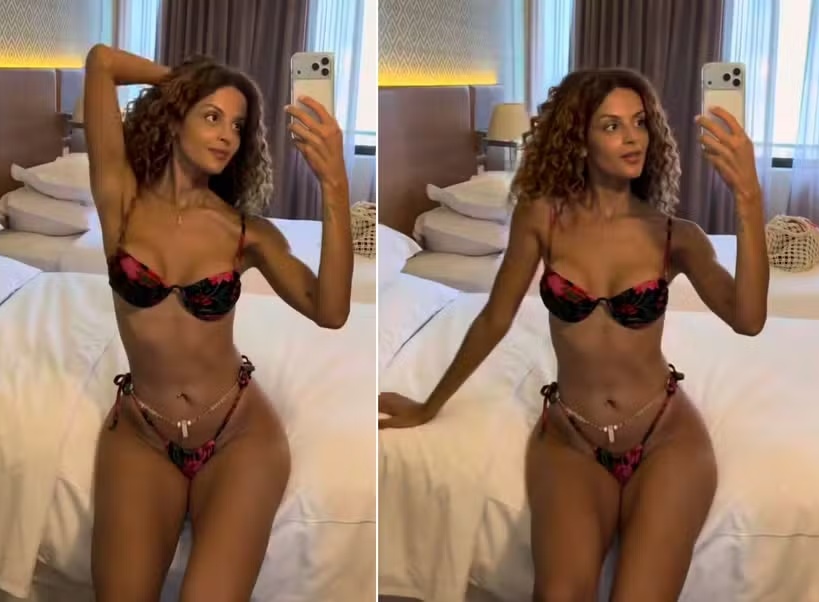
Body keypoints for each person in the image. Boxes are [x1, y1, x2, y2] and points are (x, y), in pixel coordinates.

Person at [378, 67, 769, 601]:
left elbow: (749, 318)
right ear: (579, 140)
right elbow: (495, 318)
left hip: (666, 438)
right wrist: (429, 405)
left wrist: (748, 198)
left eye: (639, 123)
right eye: (612, 125)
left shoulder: (674, 236)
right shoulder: (542, 217)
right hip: (573, 440)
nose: (632, 138)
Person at [84, 44, 353, 601]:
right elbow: (101, 62)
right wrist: (189, 81)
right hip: (143, 433)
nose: (227, 134)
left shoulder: (244, 232)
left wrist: (334, 184)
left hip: (238, 435)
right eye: (211, 116)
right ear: (175, 115)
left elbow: (330, 311)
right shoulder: (120, 199)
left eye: (236, 125)